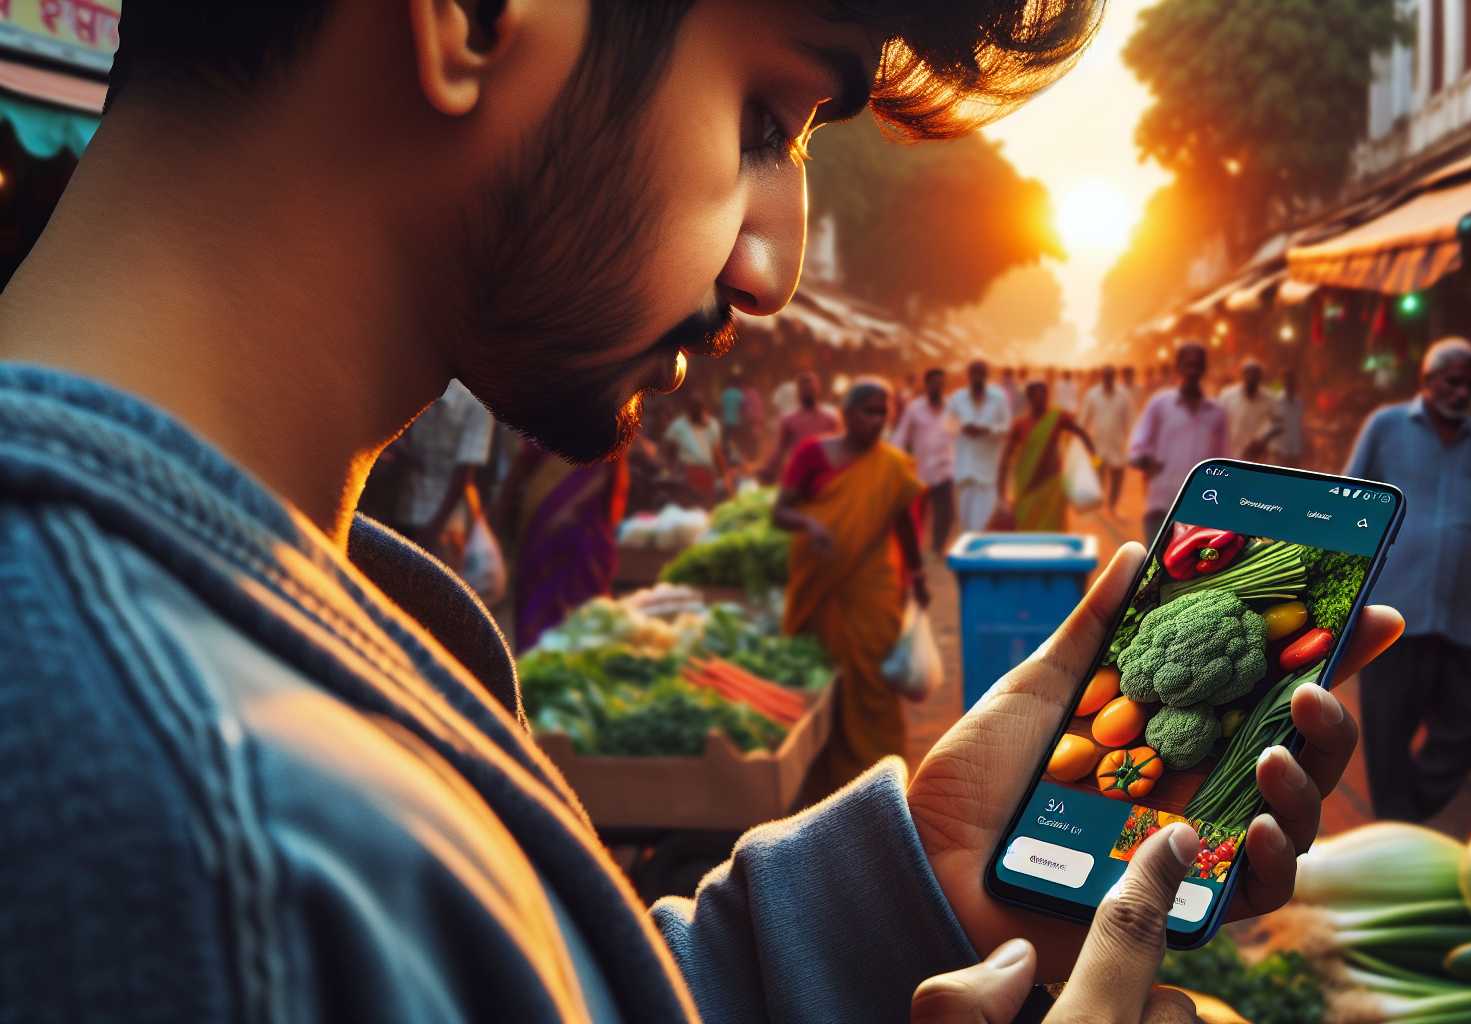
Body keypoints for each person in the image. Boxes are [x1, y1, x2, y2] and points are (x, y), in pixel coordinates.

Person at [0, 3, 1386, 1021]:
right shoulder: (170, 810)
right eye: (768, 121)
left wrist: (912, 882)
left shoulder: (213, 673)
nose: (776, 263)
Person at [1347, 337, 1471, 823]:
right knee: (1389, 728)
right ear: (1427, 382)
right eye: (1452, 382)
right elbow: (1351, 494)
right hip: (1394, 607)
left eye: (1468, 385)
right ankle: (1395, 823)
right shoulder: (1386, 427)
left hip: (1457, 612)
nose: (1461, 393)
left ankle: (1410, 805)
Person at [774, 379, 928, 785]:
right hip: (818, 587)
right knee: (825, 685)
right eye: (869, 411)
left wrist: (917, 574)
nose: (877, 421)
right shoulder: (812, 455)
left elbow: (904, 526)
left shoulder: (893, 467)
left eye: (884, 413)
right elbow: (780, 513)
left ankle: (880, 783)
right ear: (846, 413)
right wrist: (810, 523)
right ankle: (824, 786)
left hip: (872, 589)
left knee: (874, 686)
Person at [495, 438, 629, 653]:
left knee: (584, 617)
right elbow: (524, 464)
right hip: (545, 534)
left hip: (580, 538)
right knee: (545, 614)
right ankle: (540, 672)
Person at [1129, 342, 1229, 541]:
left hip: (1200, 510)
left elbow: (1224, 460)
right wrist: (1146, 462)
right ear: (1178, 367)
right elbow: (1136, 448)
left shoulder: (1217, 413)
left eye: (1197, 365)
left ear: (1204, 369)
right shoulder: (1160, 404)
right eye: (1187, 364)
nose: (1192, 370)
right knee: (1156, 568)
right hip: (1161, 504)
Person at [390, 378, 496, 564]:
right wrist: (435, 529)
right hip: (443, 524)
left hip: (410, 515)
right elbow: (464, 474)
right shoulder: (478, 401)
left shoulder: (419, 383)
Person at [999, 381, 1096, 532]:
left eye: (1043, 393)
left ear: (1048, 396)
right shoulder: (1020, 425)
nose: (1040, 398)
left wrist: (1095, 461)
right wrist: (1001, 495)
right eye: (1036, 394)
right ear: (1029, 398)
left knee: (1054, 533)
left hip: (1052, 487)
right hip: (1026, 489)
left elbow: (1081, 433)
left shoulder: (1058, 417)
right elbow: (1005, 458)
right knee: (1026, 532)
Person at [891, 366, 956, 554]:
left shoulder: (952, 409)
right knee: (918, 514)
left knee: (947, 514)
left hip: (944, 469)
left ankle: (938, 546)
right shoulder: (914, 408)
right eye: (934, 384)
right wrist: (895, 459)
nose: (938, 388)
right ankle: (915, 548)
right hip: (920, 472)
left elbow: (956, 436)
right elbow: (901, 436)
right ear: (926, 385)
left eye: (941, 384)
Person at [947, 359, 1013, 533]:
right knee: (966, 523)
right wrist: (963, 428)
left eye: (981, 374)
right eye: (974, 374)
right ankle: (969, 557)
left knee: (983, 522)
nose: (977, 378)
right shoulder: (957, 398)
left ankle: (981, 557)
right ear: (968, 376)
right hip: (964, 469)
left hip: (988, 471)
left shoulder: (998, 398)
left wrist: (988, 430)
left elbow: (1007, 427)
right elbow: (946, 424)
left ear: (986, 375)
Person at [761, 369, 842, 483]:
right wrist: (768, 470)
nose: (808, 391)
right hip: (799, 476)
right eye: (804, 388)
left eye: (811, 388)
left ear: (818, 389)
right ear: (798, 392)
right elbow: (780, 450)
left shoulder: (831, 417)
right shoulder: (789, 420)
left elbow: (841, 447)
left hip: (825, 476)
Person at [1080, 364, 1135, 513]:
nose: (1108, 379)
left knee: (1118, 476)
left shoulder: (1124, 396)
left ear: (1114, 377)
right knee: (1098, 474)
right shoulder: (1092, 395)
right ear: (1101, 377)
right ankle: (1098, 502)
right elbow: (1084, 420)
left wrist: (1131, 443)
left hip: (1118, 445)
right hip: (1097, 447)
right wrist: (1082, 441)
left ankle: (1112, 505)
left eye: (1111, 376)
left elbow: (1129, 421)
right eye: (1106, 376)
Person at [663, 394, 729, 505]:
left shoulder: (712, 425)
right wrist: (671, 468)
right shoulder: (679, 425)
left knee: (705, 506)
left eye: (702, 410)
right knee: (691, 506)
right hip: (687, 473)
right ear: (688, 413)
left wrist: (725, 476)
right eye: (695, 410)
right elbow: (668, 448)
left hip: (707, 473)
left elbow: (717, 453)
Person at [1216, 357, 1278, 462]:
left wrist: (1262, 440)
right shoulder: (1227, 396)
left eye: (1255, 374)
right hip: (1231, 454)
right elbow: (1218, 423)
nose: (1251, 377)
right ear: (1243, 375)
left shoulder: (1270, 399)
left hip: (1258, 457)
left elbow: (1275, 424)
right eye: (1248, 373)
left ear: (1260, 377)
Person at [1267, 368, 1305, 468]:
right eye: (1287, 380)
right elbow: (1272, 427)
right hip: (1279, 453)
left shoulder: (1299, 403)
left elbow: (1298, 427)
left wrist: (1298, 451)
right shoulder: (1275, 401)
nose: (1289, 383)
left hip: (1294, 454)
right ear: (1283, 382)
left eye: (1292, 381)